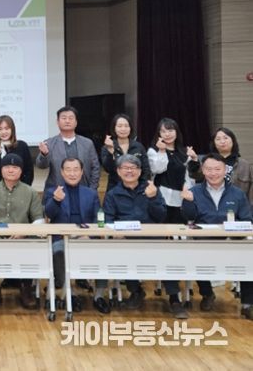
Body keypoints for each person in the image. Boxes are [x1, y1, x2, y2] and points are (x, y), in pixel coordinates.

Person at [182, 153, 253, 320]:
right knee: (194, 256)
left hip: (232, 242)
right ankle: (207, 294)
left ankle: (248, 304)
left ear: (225, 170)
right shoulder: (194, 192)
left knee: (249, 259)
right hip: (203, 242)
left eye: (217, 169)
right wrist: (188, 202)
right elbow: (188, 219)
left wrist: (233, 228)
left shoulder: (237, 193)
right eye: (209, 169)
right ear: (203, 170)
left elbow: (247, 220)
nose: (213, 173)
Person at [103, 155, 175, 313]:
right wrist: (115, 232)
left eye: (133, 168)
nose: (129, 171)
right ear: (118, 171)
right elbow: (108, 220)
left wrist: (153, 198)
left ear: (140, 171)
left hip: (153, 238)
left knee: (168, 255)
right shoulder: (112, 194)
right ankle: (136, 291)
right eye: (125, 168)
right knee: (122, 252)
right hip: (127, 240)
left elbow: (161, 216)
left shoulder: (151, 189)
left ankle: (175, 298)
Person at [0, 153, 44, 309]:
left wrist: (24, 233)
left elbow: (39, 220)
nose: (11, 170)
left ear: (21, 171)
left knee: (33, 244)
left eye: (15, 167)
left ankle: (26, 287)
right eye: (7, 167)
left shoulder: (30, 192)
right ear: (1, 170)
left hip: (22, 236)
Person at [44, 158, 106, 313]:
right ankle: (70, 292)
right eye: (68, 170)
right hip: (62, 239)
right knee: (58, 250)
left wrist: (90, 236)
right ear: (62, 172)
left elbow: (98, 219)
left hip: (86, 238)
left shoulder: (91, 193)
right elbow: (48, 215)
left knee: (104, 252)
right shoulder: (53, 191)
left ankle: (99, 295)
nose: (72, 173)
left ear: (82, 172)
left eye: (76, 169)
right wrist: (56, 201)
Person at [36, 106, 100, 192]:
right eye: (64, 118)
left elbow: (95, 168)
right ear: (57, 122)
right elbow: (41, 166)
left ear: (76, 122)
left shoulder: (87, 143)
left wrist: (92, 189)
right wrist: (44, 154)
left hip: (83, 189)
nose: (67, 121)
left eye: (71, 118)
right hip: (57, 191)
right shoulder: (49, 143)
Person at [147, 117, 195, 224]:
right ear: (159, 134)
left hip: (181, 197)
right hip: (161, 196)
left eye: (170, 130)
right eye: (163, 131)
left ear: (176, 132)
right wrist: (162, 151)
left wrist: (195, 159)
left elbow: (191, 176)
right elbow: (158, 169)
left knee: (180, 228)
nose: (167, 134)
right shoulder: (153, 151)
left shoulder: (184, 152)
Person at [187, 127, 253, 202]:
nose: (222, 141)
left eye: (225, 138)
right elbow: (197, 176)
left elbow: (251, 191)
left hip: (237, 205)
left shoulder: (244, 165)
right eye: (218, 139)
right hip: (211, 204)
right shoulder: (208, 162)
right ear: (214, 143)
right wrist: (194, 159)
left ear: (233, 141)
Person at [101, 113, 150, 191]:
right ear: (114, 128)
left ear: (130, 128)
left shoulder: (138, 146)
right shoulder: (107, 147)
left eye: (126, 126)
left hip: (137, 189)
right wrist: (111, 152)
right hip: (115, 189)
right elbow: (108, 169)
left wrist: (143, 187)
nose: (123, 129)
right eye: (119, 126)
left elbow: (146, 170)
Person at [0, 115, 33, 186]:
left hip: (19, 187)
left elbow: (29, 171)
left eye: (6, 128)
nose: (3, 132)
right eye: (0, 129)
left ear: (12, 129)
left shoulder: (22, 145)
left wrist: (25, 188)